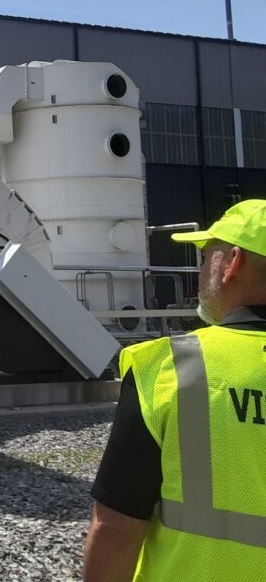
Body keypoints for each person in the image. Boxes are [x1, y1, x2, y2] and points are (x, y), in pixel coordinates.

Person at [83, 199, 266, 581]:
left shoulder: (168, 368)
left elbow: (115, 529)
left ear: (232, 263)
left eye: (206, 258)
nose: (200, 272)